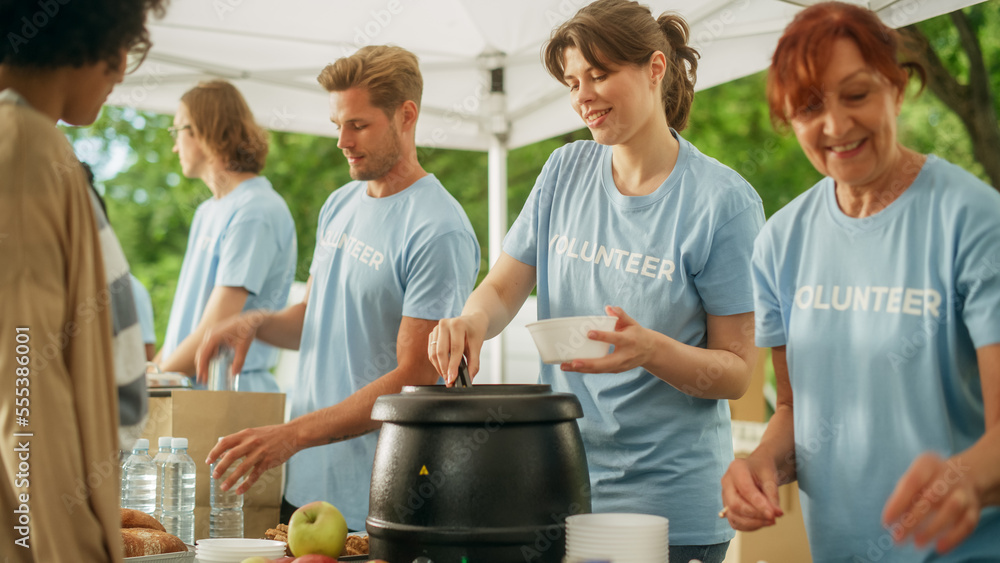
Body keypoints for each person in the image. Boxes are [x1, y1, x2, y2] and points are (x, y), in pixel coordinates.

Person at [430, 1, 763, 561]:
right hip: (556, 487)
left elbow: (736, 374)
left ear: (656, 68)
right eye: (572, 81)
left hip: (668, 513)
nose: (583, 95)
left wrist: (648, 350)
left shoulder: (723, 204)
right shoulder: (565, 170)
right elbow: (505, 286)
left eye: (600, 74)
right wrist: (471, 321)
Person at [720, 3, 1000, 561]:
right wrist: (761, 467)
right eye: (809, 106)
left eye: (857, 94)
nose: (837, 126)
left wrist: (966, 476)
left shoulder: (974, 220)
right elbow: (795, 412)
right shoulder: (780, 242)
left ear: (896, 88)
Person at [199, 45, 480, 530]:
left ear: (406, 115)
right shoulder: (339, 203)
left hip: (380, 499)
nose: (342, 141)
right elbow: (316, 315)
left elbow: (418, 377)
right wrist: (257, 323)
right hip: (304, 488)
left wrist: (292, 435)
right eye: (337, 126)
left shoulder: (439, 228)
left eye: (358, 125)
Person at [0, 0, 166, 561]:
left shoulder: (33, 140)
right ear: (82, 35)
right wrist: (64, 542)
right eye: (121, 47)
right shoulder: (21, 145)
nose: (122, 70)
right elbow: (23, 384)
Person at [154, 80, 297, 393]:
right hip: (190, 393)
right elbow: (186, 329)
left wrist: (147, 383)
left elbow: (214, 329)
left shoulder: (255, 211)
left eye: (177, 130)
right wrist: (152, 372)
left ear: (206, 130)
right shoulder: (208, 210)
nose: (175, 146)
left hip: (230, 396)